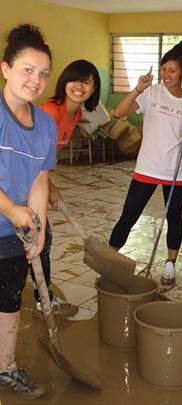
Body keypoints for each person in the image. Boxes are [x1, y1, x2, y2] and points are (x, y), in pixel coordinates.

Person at [109, 40, 182, 286]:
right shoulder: (151, 93)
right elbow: (118, 113)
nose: (166, 74)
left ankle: (170, 265)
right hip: (147, 168)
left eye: (172, 70)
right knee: (129, 215)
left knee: (174, 217)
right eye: (164, 69)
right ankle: (110, 259)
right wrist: (138, 89)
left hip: (176, 171)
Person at [0, 24, 57, 399]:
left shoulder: (46, 125)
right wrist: (12, 210)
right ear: (5, 68)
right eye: (27, 70)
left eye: (43, 73)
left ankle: (5, 366)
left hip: (11, 232)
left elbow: (40, 179)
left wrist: (36, 225)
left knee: (8, 299)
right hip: (9, 217)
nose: (36, 81)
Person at [30, 59, 101, 318]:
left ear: (94, 89)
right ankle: (44, 299)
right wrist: (49, 187)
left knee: (38, 239)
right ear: (64, 81)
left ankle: (43, 296)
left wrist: (49, 186)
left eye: (87, 82)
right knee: (40, 239)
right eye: (75, 79)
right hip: (19, 178)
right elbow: (31, 158)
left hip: (36, 179)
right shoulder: (51, 112)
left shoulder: (76, 114)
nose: (79, 86)